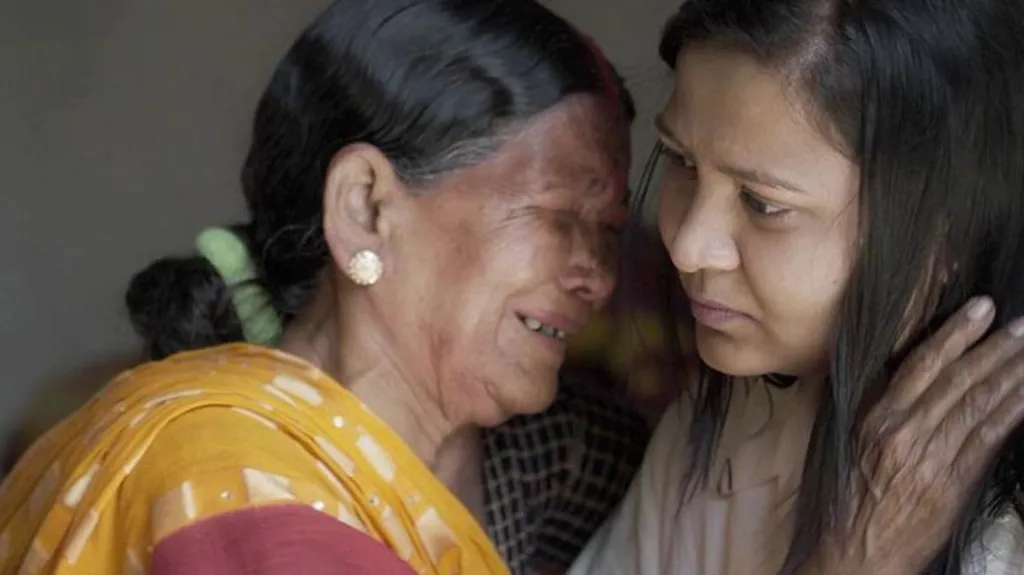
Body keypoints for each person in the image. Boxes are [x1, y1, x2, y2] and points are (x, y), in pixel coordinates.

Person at [0, 0, 635, 573]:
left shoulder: (556, 462)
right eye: (556, 216)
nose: (598, 276)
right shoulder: (218, 475)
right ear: (366, 208)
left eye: (608, 231)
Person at [569, 0, 1024, 573]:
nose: (687, 244)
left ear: (943, 240)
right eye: (682, 160)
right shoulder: (722, 437)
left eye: (764, 204)